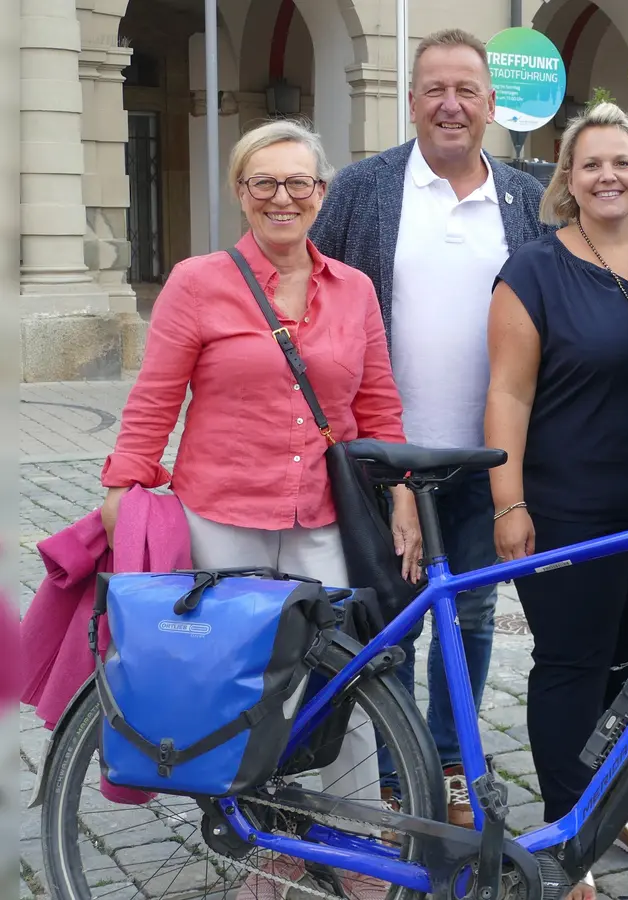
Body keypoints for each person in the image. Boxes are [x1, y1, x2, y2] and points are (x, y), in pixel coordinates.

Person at [100, 118, 416, 900]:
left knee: (342, 685)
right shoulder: (197, 282)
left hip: (322, 520)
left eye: (298, 182)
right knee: (239, 691)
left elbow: (378, 406)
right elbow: (156, 396)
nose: (283, 197)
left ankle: (351, 847)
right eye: (264, 182)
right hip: (222, 519)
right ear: (241, 193)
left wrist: (404, 493)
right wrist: (124, 487)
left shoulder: (354, 289)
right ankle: (265, 851)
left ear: (321, 193)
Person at [308, 27, 553, 828]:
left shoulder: (523, 200)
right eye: (435, 90)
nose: (451, 104)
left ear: (490, 104)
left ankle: (451, 764)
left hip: (483, 457)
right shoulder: (363, 189)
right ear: (411, 101)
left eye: (466, 90)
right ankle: (390, 770)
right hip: (382, 460)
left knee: (472, 615)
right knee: (391, 619)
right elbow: (313, 291)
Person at [482, 101, 628, 877]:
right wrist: (508, 503)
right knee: (573, 665)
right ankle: (567, 836)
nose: (607, 176)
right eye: (591, 163)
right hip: (567, 505)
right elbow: (508, 395)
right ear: (567, 177)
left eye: (621, 162)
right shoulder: (533, 270)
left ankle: (614, 796)